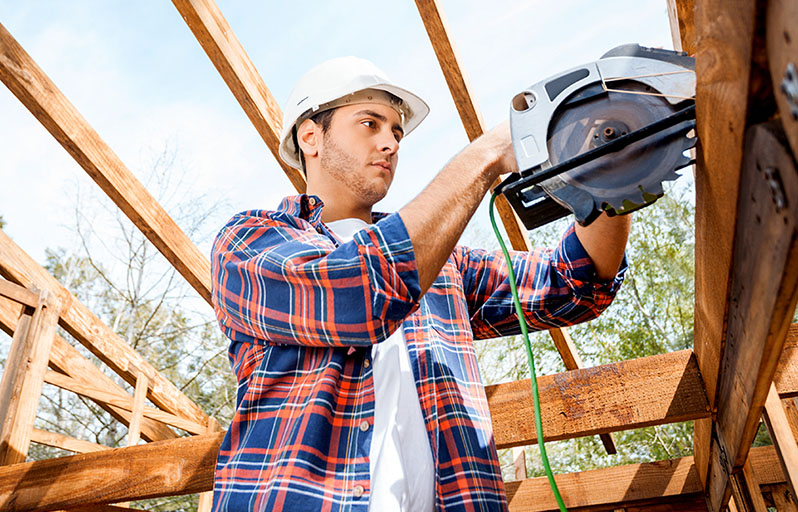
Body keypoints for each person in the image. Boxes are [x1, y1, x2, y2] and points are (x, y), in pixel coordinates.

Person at [210, 57, 630, 512]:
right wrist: (486, 154)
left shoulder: (442, 265)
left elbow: (574, 283)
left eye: (396, 131)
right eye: (370, 123)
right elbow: (359, 292)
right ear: (310, 136)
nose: (389, 143)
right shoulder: (251, 241)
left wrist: (611, 175)